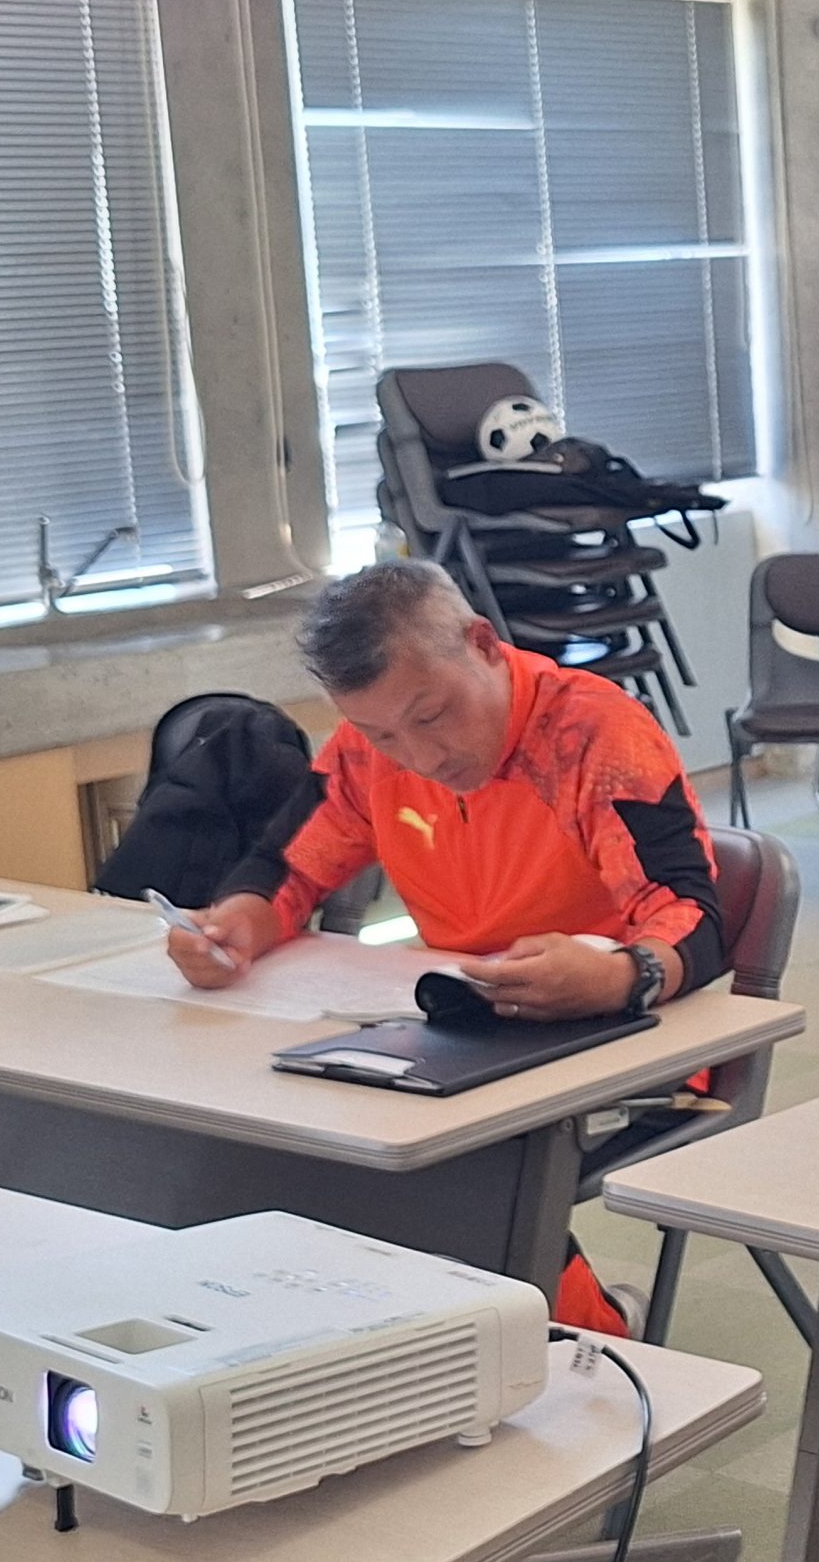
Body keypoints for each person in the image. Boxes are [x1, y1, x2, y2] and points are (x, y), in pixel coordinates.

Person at [167, 559, 724, 1336]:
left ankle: (590, 1339)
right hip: (462, 1026)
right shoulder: (368, 753)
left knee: (448, 1162)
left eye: (432, 716)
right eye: (380, 734)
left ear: (484, 645)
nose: (420, 757)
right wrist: (237, 924)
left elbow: (693, 916)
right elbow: (287, 866)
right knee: (275, 1129)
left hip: (624, 1033)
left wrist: (615, 977)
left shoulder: (593, 733)